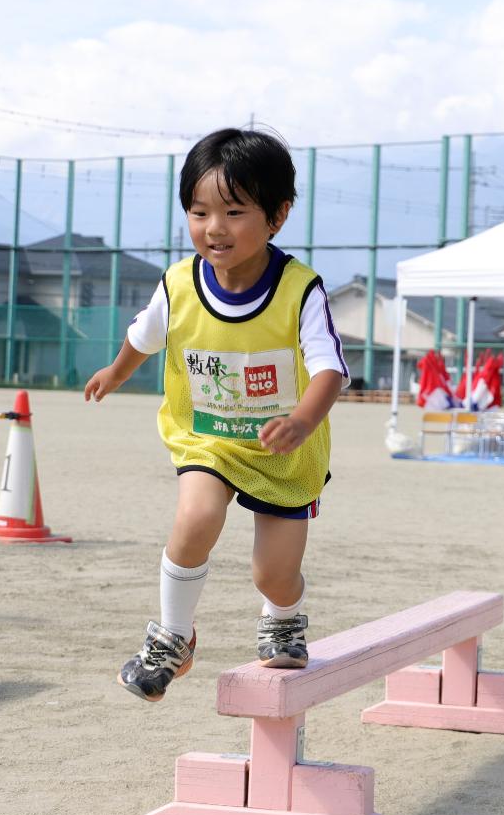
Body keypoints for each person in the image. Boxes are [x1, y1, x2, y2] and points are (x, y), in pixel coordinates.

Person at [84, 127, 348, 702]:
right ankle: (171, 640)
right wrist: (115, 372)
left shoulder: (300, 290)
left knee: (271, 574)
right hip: (208, 439)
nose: (214, 228)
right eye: (199, 211)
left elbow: (329, 369)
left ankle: (284, 615)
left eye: (234, 211)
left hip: (286, 452)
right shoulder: (178, 284)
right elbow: (143, 337)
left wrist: (302, 420)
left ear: (277, 215)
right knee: (195, 518)